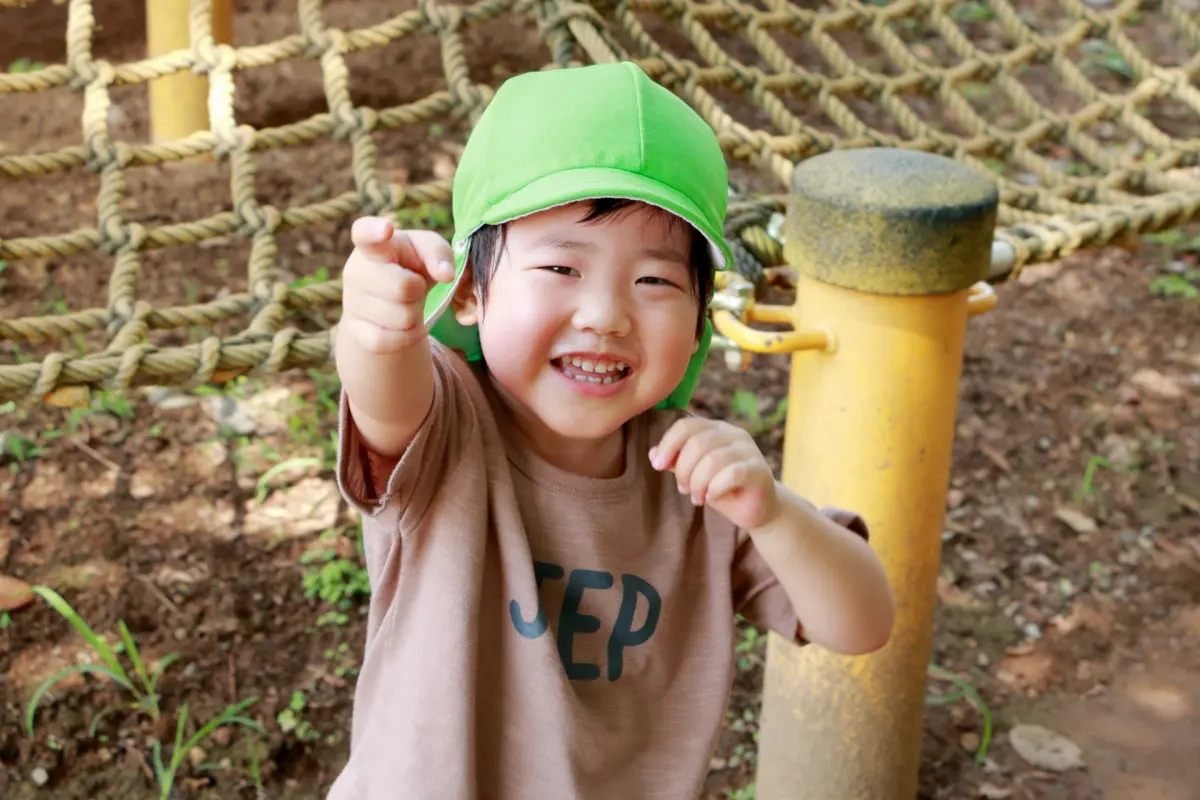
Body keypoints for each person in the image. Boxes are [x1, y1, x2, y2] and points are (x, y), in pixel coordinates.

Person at [328, 61, 894, 799]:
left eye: (654, 281)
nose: (606, 314)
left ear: (698, 327)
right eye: (562, 266)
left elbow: (863, 623)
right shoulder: (448, 427)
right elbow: (387, 398)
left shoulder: (695, 481)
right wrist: (375, 332)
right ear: (468, 290)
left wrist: (775, 514)